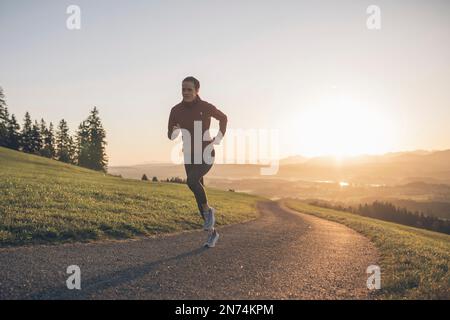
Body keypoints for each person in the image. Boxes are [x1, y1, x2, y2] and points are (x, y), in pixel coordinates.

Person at [167, 76, 228, 247]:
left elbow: (223, 118)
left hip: (207, 152)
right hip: (189, 155)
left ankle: (209, 212)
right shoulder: (175, 110)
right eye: (183, 89)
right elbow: (169, 134)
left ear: (196, 91)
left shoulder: (205, 107)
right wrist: (174, 130)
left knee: (191, 181)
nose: (185, 92)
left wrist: (220, 136)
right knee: (196, 192)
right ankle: (212, 233)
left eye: (189, 89)